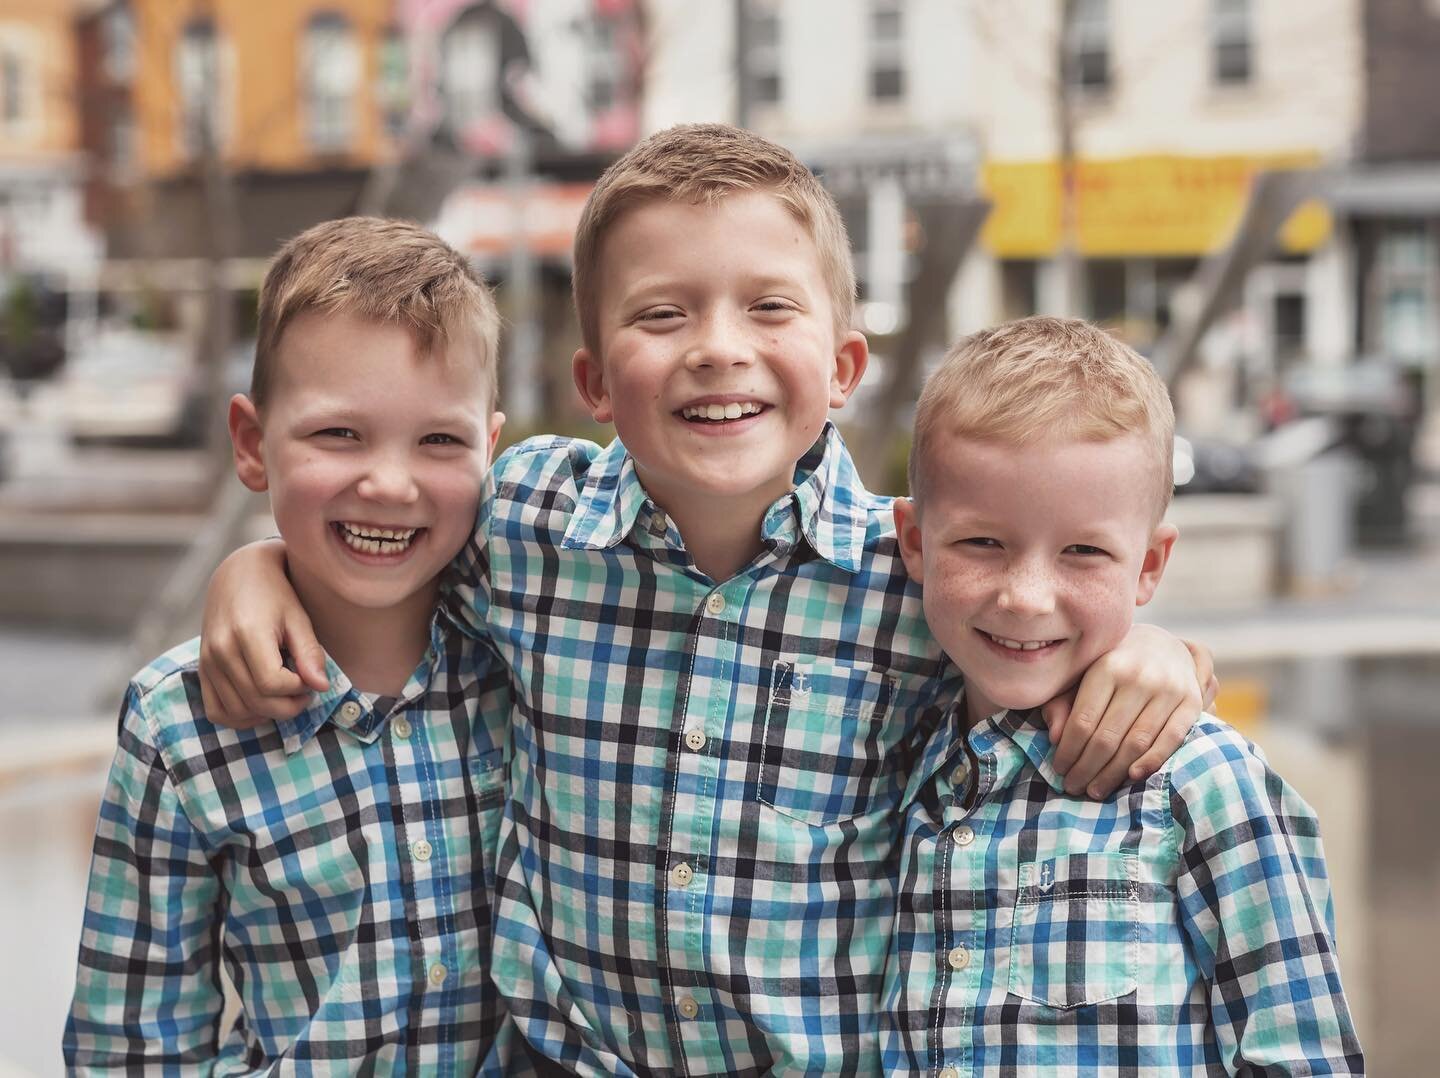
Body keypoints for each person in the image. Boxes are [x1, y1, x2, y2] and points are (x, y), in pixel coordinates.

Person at [196, 125, 1217, 1075]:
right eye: (662, 313)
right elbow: (385, 542)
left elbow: (1046, 613)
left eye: (768, 307)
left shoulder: (919, 576)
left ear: (842, 367)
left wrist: (1159, 654)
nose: (718, 346)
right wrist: (258, 565)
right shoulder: (526, 528)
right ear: (595, 381)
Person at [64, 217, 524, 1072]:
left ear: (488, 448)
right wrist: (252, 561)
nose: (390, 482)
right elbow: (132, 1043)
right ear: (253, 444)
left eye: (440, 440)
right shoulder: (179, 724)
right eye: (338, 434)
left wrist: (254, 562)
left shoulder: (535, 654)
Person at [885, 316, 1364, 1074]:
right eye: (982, 542)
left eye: (1083, 551)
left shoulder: (1205, 781)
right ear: (914, 541)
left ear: (1149, 565)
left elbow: (1303, 1054)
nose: (1026, 597)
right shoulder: (902, 757)